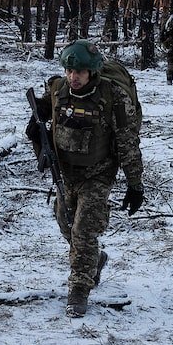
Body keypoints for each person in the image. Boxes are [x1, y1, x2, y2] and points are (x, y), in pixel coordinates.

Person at [27, 40, 145, 317]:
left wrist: (135, 183)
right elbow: (46, 108)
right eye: (69, 71)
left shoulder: (112, 97)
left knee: (83, 232)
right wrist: (37, 120)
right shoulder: (59, 90)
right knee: (65, 223)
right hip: (66, 173)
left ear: (92, 71)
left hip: (98, 173)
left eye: (79, 72)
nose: (73, 77)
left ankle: (79, 290)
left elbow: (128, 141)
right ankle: (95, 259)